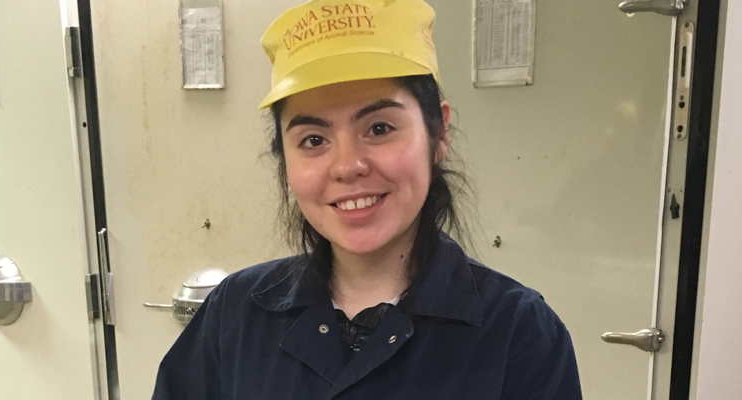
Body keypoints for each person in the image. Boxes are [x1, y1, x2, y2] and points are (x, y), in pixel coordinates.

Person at [153, 0, 582, 398]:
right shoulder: (235, 316)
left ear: (439, 132)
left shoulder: (518, 332)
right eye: (314, 139)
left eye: (379, 128)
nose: (347, 165)